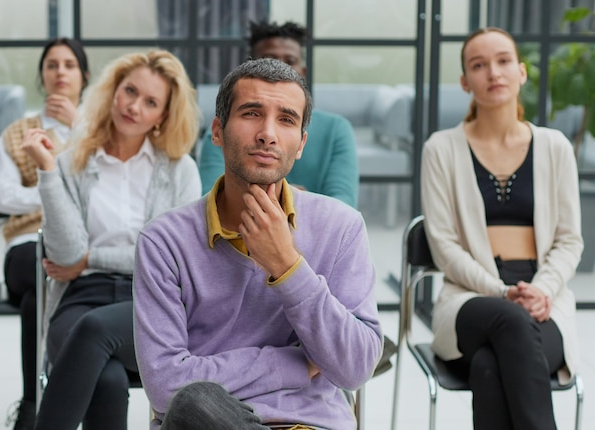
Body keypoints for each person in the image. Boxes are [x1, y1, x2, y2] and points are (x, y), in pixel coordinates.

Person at [133, 58, 383, 430]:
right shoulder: (163, 241)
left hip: (308, 425)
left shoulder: (341, 227)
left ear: (300, 144)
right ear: (217, 131)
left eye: (286, 120)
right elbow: (166, 388)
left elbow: (355, 369)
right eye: (251, 113)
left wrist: (287, 267)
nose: (267, 133)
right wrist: (297, 364)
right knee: (194, 404)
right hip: (207, 425)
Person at [21, 49, 201, 430]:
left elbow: (173, 261)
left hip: (152, 303)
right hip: (80, 298)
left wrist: (90, 259)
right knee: (106, 377)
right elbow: (65, 252)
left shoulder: (180, 170)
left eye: (150, 102)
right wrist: (48, 171)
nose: (134, 106)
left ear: (163, 116)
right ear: (113, 90)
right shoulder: (72, 162)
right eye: (129, 91)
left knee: (94, 329)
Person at [421, 27, 582, 430]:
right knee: (507, 322)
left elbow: (569, 240)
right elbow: (444, 247)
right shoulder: (440, 149)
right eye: (479, 65)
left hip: (546, 300)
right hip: (469, 297)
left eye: (503, 61)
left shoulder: (556, 146)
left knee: (489, 367)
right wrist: (502, 292)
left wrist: (541, 290)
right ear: (464, 81)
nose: (493, 72)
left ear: (522, 72)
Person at [0, 37, 89, 430]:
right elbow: (2, 195)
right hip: (27, 244)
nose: (60, 72)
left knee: (37, 297)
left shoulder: (96, 132)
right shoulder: (18, 132)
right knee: (39, 273)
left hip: (77, 244)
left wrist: (77, 131)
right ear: (42, 75)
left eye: (69, 65)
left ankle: (35, 407)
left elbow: (106, 189)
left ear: (83, 76)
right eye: (52, 65)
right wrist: (51, 191)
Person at [198, 20, 359, 208]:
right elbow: (211, 198)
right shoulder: (224, 130)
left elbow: (343, 205)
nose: (279, 69)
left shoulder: (336, 130)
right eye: (269, 60)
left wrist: (289, 199)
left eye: (290, 61)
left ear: (304, 72)